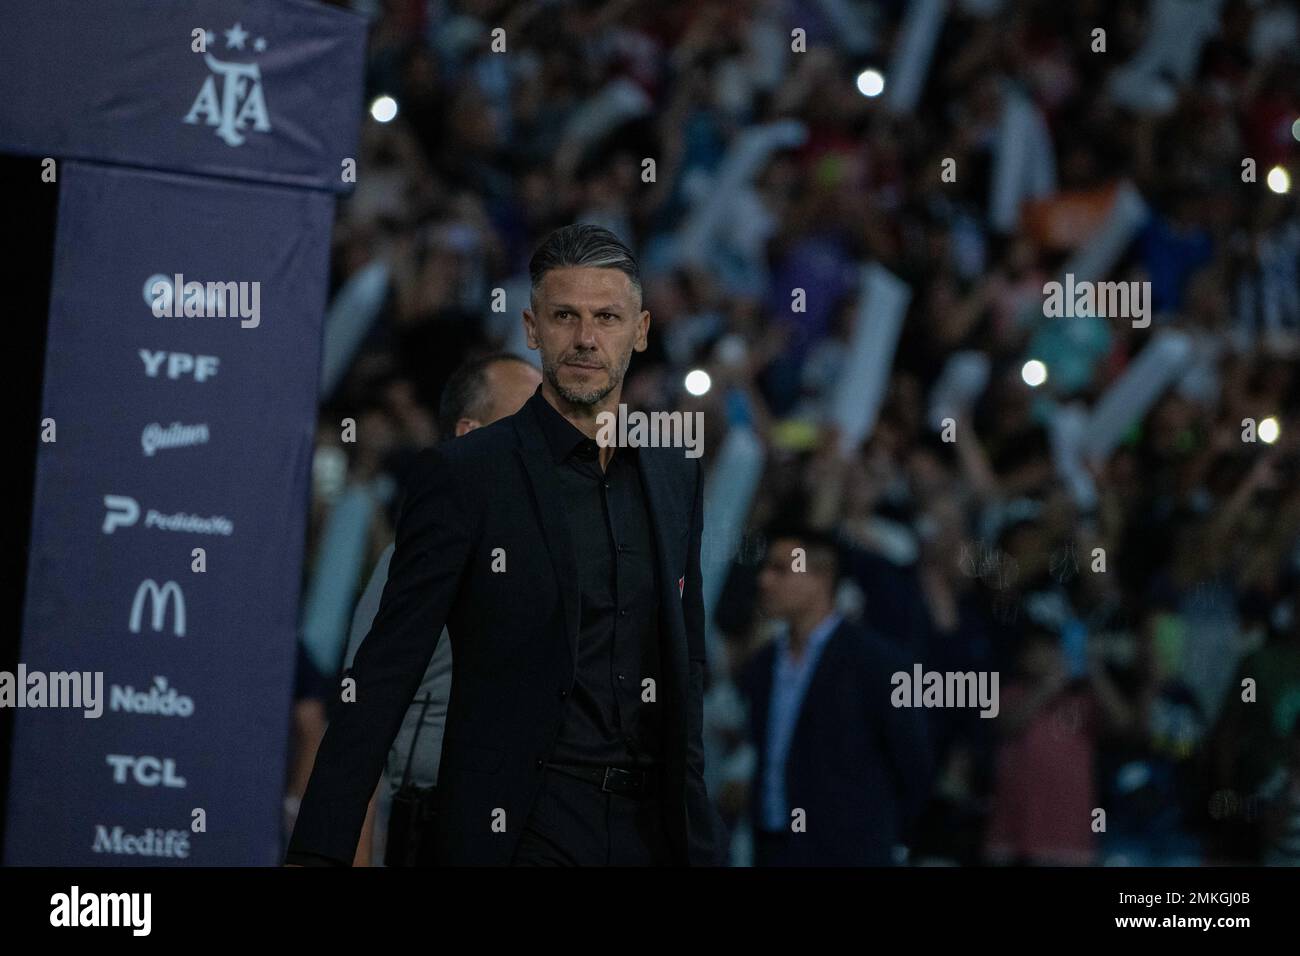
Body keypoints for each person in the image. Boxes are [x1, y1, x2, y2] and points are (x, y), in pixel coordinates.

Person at [287, 223, 723, 866]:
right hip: (517, 834)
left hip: (647, 836)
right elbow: (382, 676)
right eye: (564, 316)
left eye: (606, 317)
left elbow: (684, 676)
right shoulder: (467, 474)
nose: (584, 339)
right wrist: (319, 854)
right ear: (531, 329)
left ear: (642, 330)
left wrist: (699, 844)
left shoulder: (674, 476)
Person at [345, 353, 542, 866]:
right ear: (468, 436)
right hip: (434, 832)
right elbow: (357, 731)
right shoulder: (412, 564)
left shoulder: (570, 561)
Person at [739, 527, 933, 866]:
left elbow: (913, 761)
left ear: (822, 577)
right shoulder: (763, 663)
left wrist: (883, 837)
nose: (764, 581)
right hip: (773, 848)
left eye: (781, 569)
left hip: (848, 851)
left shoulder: (876, 663)